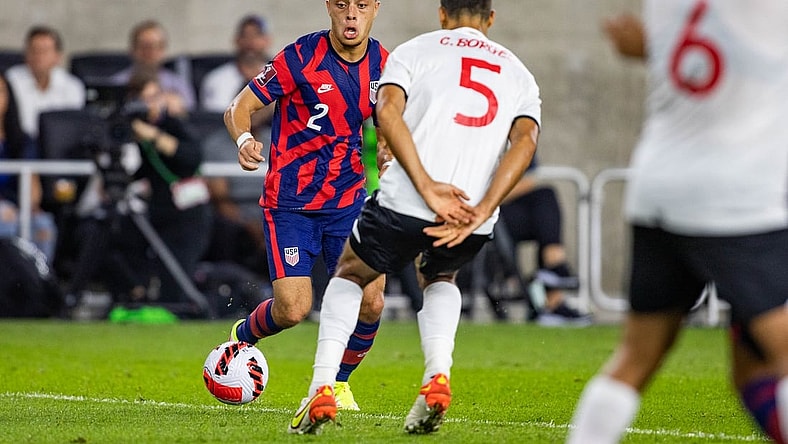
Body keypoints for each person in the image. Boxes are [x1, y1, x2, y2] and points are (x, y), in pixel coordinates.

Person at [289, 0, 541, 435]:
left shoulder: (415, 50)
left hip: (410, 199)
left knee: (350, 272)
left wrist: (425, 186)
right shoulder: (518, 71)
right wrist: (484, 208)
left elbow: (385, 112)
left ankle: (321, 386)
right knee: (440, 277)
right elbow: (526, 141)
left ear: (443, 14)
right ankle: (436, 377)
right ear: (491, 20)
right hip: (471, 212)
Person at [566, 2, 788, 443]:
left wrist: (648, 48)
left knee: (636, 356)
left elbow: (708, 60)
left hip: (656, 189)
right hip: (737, 195)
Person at [224, 0, 388, 412]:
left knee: (372, 301)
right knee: (294, 309)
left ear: (374, 10)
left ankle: (339, 383)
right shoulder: (300, 57)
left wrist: (388, 154)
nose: (352, 14)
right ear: (330, 8)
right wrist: (244, 141)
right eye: (343, 5)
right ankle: (243, 335)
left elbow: (389, 126)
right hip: (290, 203)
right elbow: (239, 108)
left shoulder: (385, 64)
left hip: (348, 201)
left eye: (361, 6)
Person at [2, 25, 85, 264]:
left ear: (58, 55)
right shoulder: (13, 80)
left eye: (45, 50)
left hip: (52, 164)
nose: (38, 56)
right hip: (17, 177)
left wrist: (28, 201)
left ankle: (39, 286)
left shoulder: (72, 86)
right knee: (6, 219)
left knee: (43, 226)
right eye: (34, 50)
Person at [497, 158, 590, 326]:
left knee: (545, 197)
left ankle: (553, 274)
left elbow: (528, 181)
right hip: (472, 214)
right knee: (543, 205)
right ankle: (554, 272)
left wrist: (493, 196)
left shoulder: (518, 133)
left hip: (497, 209)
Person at [112, 20, 195, 111]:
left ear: (164, 50)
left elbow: (191, 114)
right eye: (145, 47)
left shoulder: (178, 85)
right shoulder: (117, 83)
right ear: (133, 49)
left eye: (157, 47)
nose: (150, 53)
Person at [200, 14, 273, 114]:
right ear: (236, 40)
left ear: (267, 41)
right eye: (245, 36)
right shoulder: (217, 79)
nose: (250, 42)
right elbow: (217, 121)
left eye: (257, 36)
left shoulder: (279, 78)